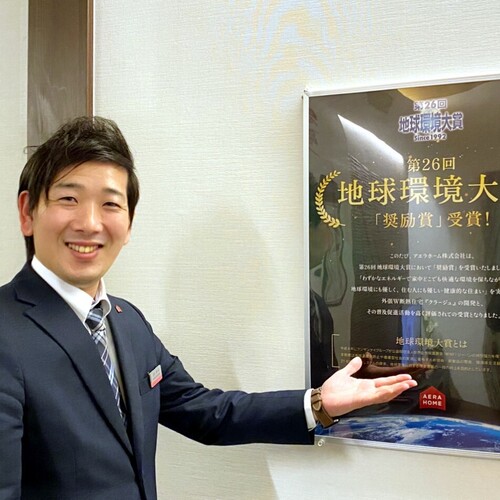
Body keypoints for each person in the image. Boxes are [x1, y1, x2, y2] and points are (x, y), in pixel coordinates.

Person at [0, 116, 417, 500]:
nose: (90, 223)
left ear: (128, 224)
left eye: (110, 204)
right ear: (27, 212)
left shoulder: (125, 322)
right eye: (69, 199)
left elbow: (206, 412)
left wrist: (319, 403)